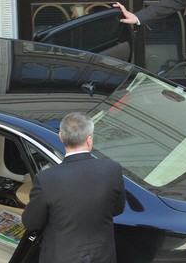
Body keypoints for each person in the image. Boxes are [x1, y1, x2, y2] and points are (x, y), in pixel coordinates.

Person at [22, 112, 126, 262]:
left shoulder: (46, 179)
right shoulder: (112, 169)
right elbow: (117, 209)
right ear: (89, 139)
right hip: (102, 256)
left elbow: (31, 223)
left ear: (61, 137)